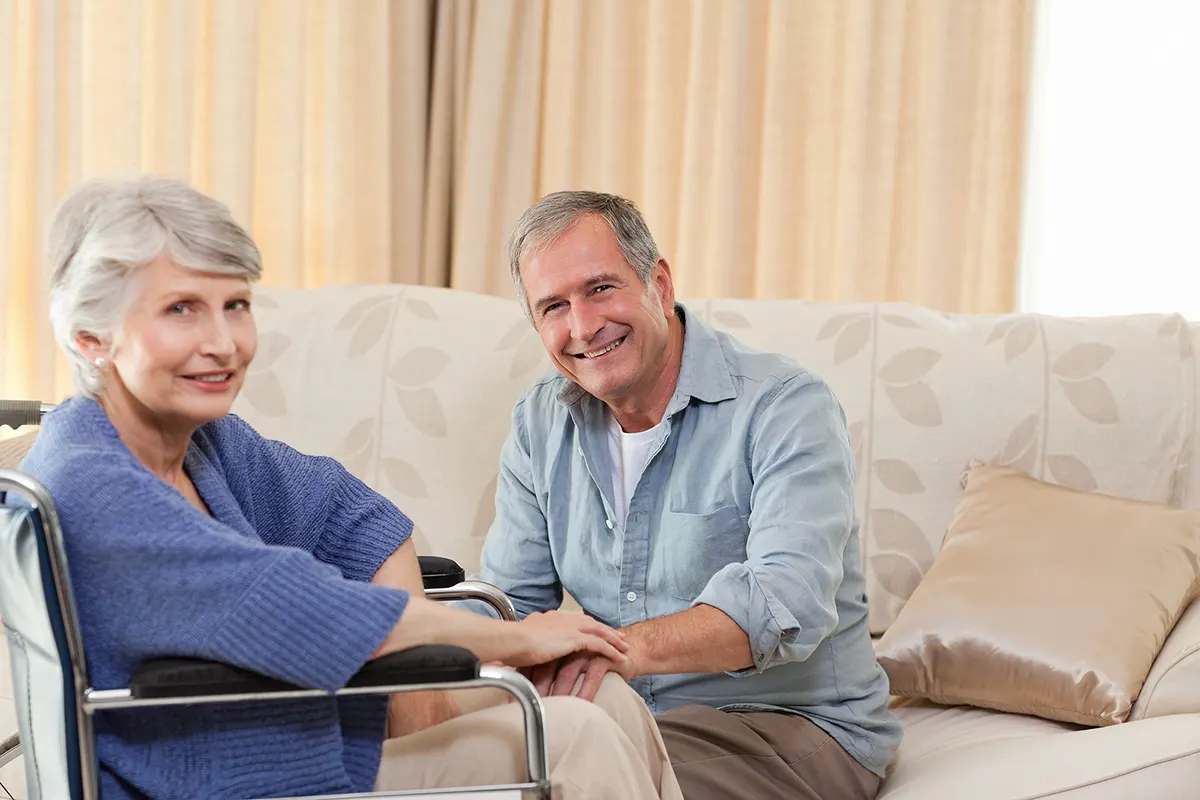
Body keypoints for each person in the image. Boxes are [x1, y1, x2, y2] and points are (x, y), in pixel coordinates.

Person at [19, 176, 682, 800]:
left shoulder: (204, 442)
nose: (222, 343)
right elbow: (296, 605)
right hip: (233, 778)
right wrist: (520, 638)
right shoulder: (94, 485)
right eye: (182, 310)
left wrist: (417, 701)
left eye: (236, 306)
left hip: (309, 730)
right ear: (92, 339)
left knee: (599, 692)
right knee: (574, 732)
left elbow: (354, 515)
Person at [469, 190, 904, 800]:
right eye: (554, 307)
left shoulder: (784, 405)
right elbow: (509, 602)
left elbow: (786, 601)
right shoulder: (540, 423)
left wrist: (619, 651)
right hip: (623, 719)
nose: (583, 326)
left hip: (784, 729)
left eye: (600, 289)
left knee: (570, 788)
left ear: (659, 282)